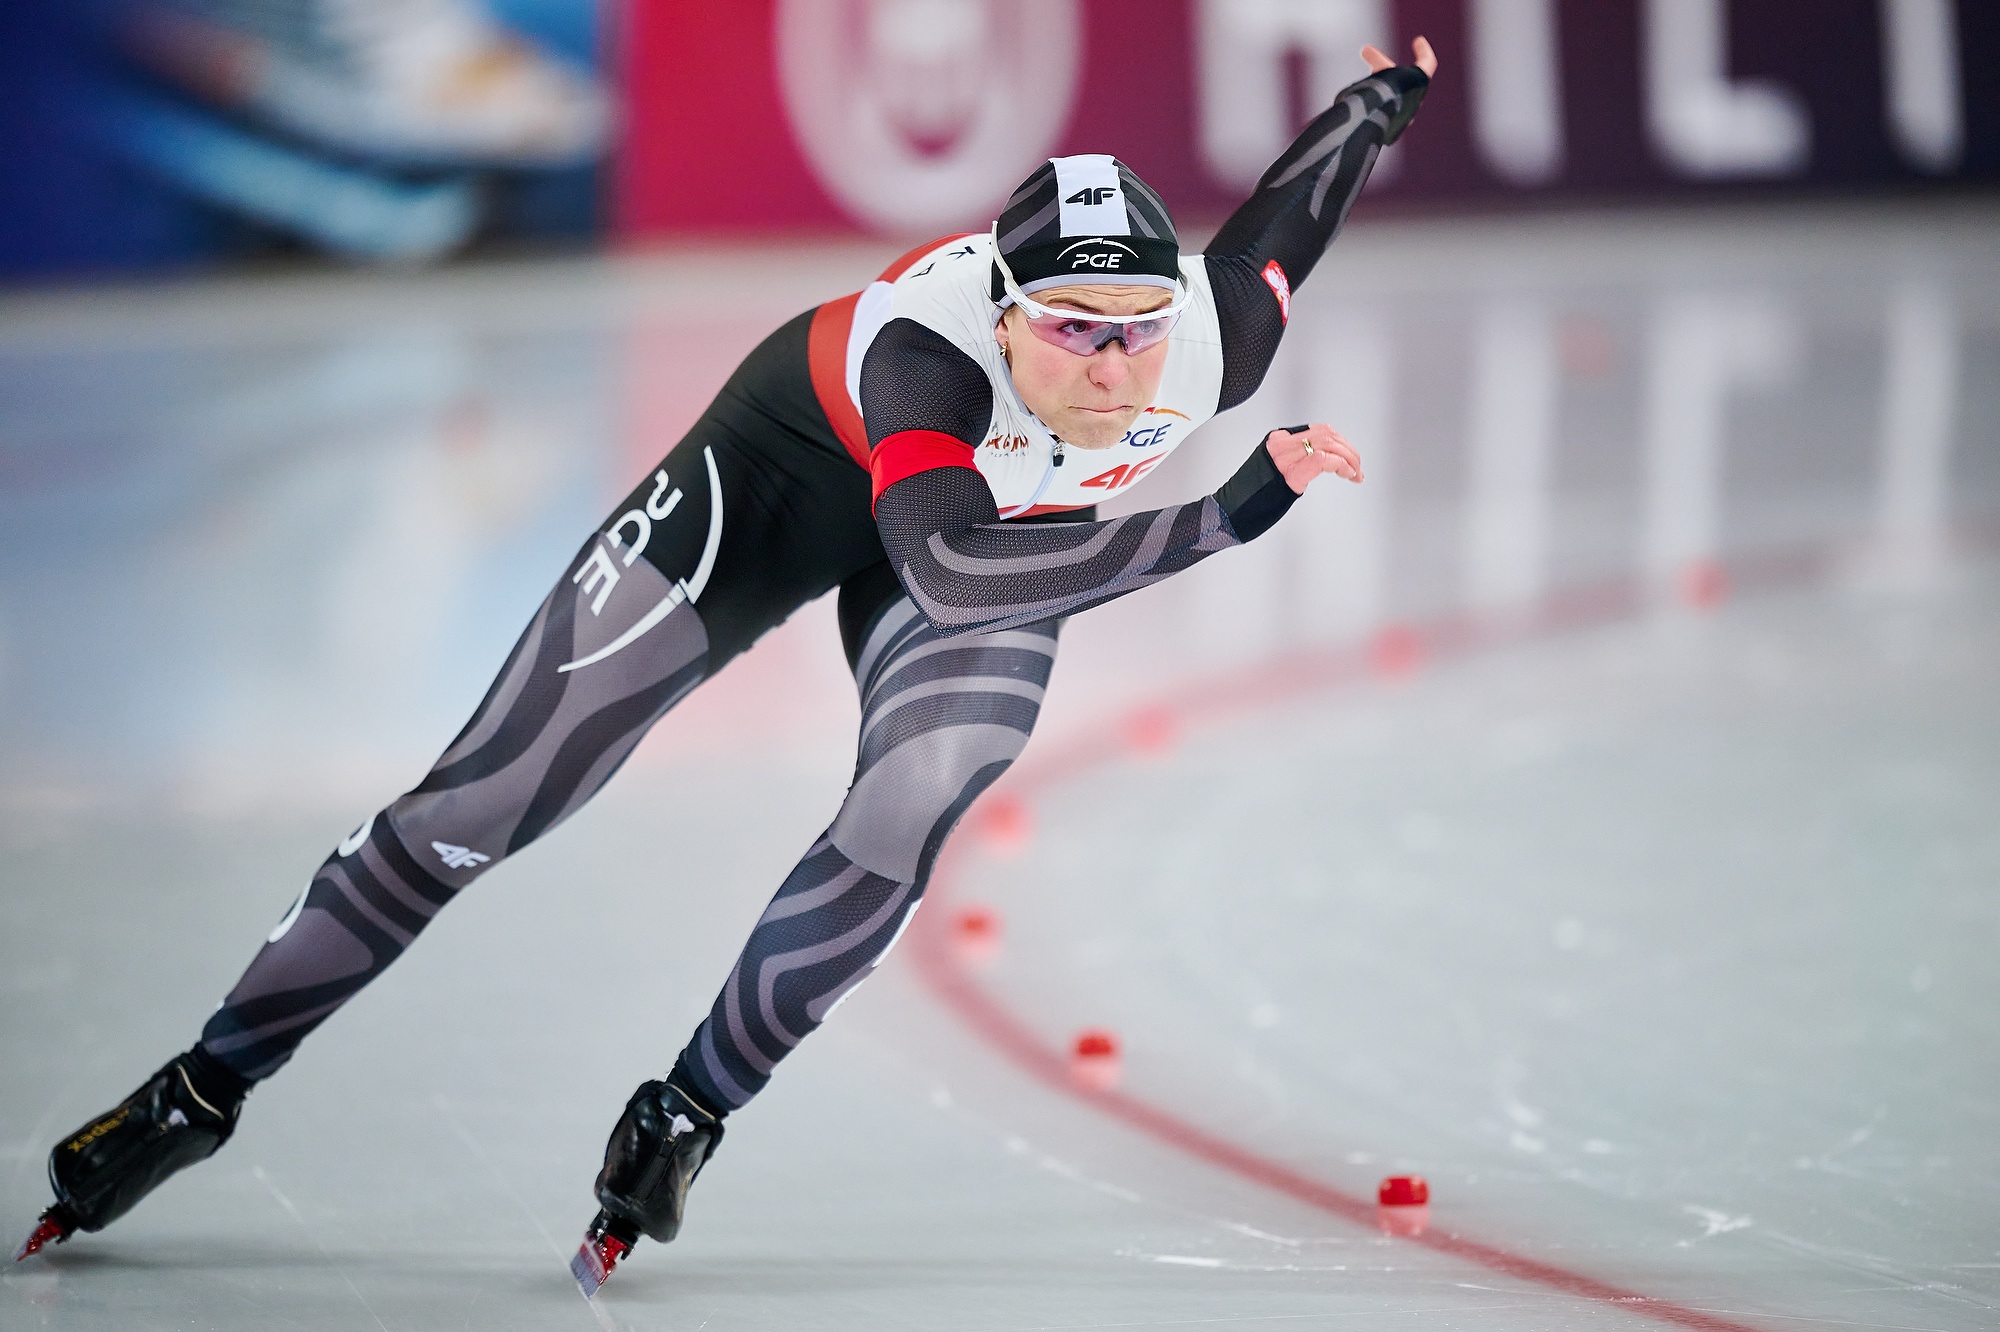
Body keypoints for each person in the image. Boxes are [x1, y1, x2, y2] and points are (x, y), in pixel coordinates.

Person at [17, 38, 1438, 1284]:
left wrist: (1378, 103)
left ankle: (686, 1115)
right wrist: (1219, 516)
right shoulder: (929, 362)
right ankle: (196, 1090)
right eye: (1072, 331)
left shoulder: (1208, 334)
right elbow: (945, 562)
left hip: (989, 528)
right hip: (781, 480)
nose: (1116, 370)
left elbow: (1282, 222)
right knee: (481, 805)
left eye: (1135, 333)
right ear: (1003, 314)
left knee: (923, 789)